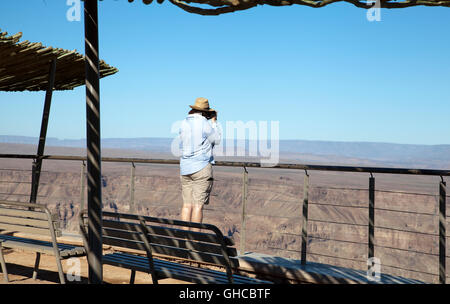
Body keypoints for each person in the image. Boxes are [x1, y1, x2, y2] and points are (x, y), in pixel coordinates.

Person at [179, 97, 221, 228]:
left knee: (187, 205)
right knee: (198, 206)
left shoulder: (184, 123)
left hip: (185, 168)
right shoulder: (205, 123)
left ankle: (185, 239)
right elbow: (217, 139)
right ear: (205, 112)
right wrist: (214, 122)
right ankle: (195, 241)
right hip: (201, 168)